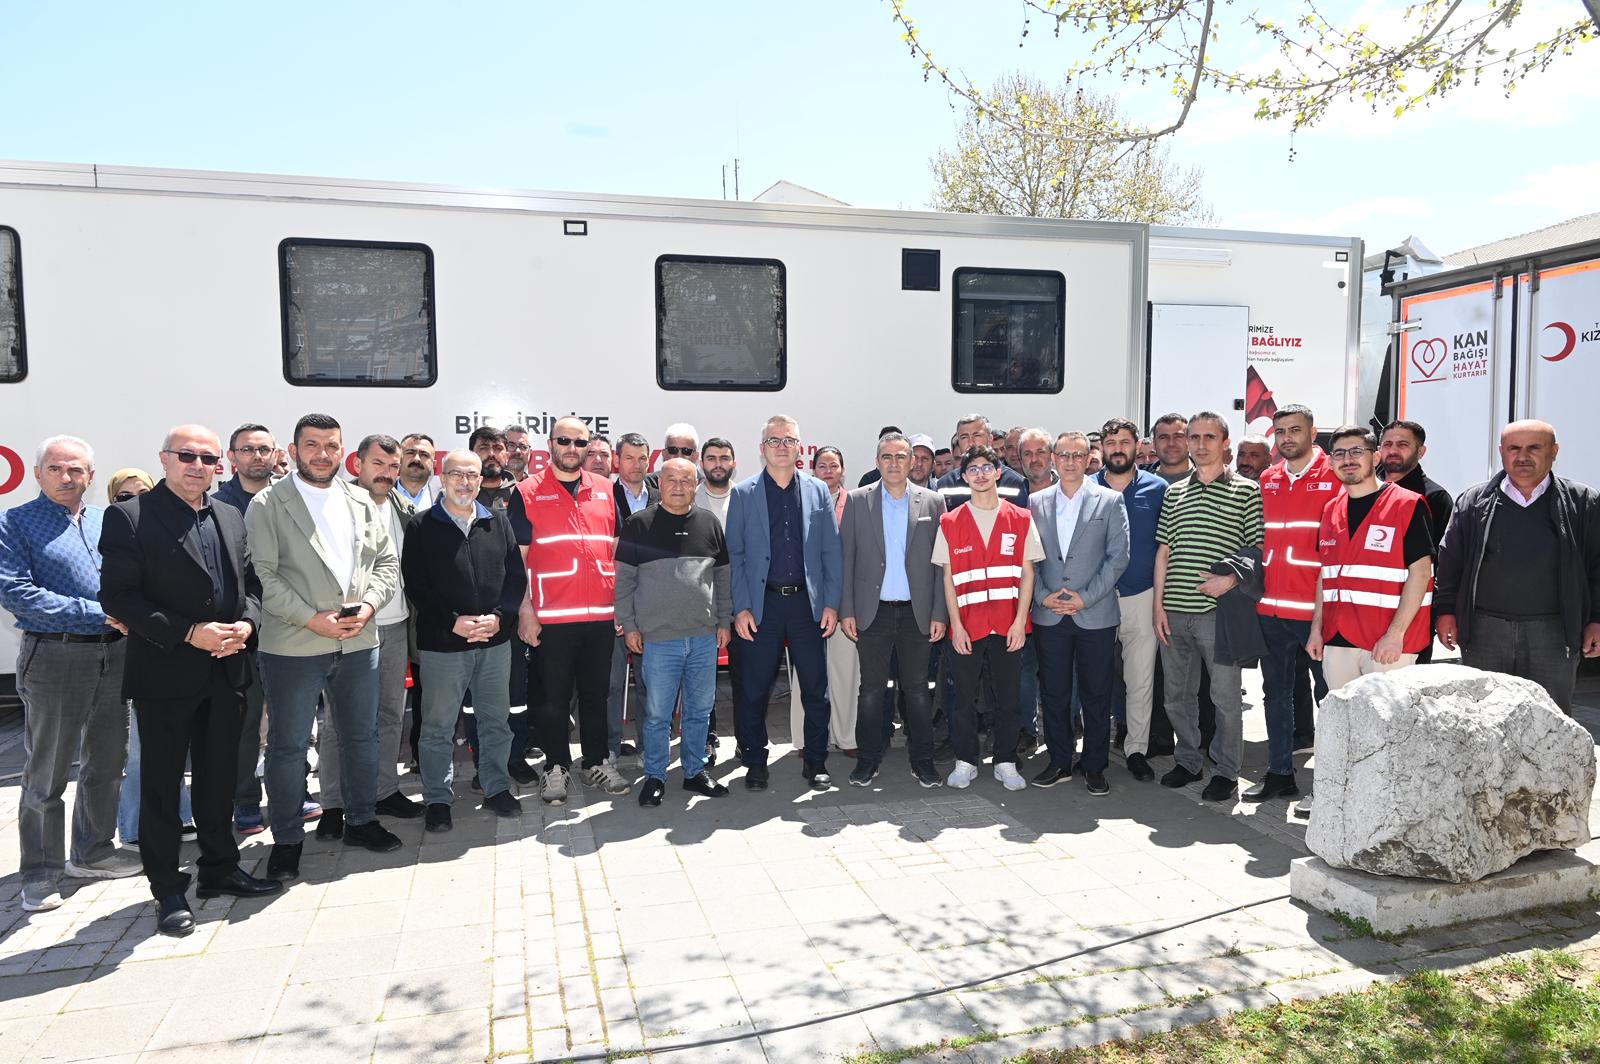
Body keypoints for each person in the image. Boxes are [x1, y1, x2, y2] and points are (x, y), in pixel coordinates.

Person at [99, 425, 281, 936]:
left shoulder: (227, 514)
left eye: (206, 457)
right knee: (160, 787)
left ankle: (219, 869)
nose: (197, 465)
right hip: (165, 673)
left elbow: (252, 585)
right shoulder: (129, 515)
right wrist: (189, 634)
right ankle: (168, 889)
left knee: (219, 777)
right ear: (164, 458)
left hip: (228, 667)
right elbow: (120, 598)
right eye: (186, 456)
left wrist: (246, 623)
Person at [246, 413, 403, 880]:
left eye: (331, 445)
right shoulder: (269, 503)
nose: (322, 454)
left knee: (362, 736)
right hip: (293, 645)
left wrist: (370, 607)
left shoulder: (360, 499)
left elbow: (387, 564)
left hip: (358, 642)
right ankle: (288, 839)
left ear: (343, 451)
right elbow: (264, 576)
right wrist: (312, 618)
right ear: (293, 451)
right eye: (312, 444)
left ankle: (361, 820)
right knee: (289, 747)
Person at [0, 436, 142, 912]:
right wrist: (100, 612)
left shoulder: (109, 521)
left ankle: (94, 851)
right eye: (57, 469)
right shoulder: (13, 523)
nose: (67, 477)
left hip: (115, 654)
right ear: (38, 473)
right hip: (56, 657)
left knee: (107, 759)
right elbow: (17, 592)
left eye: (77, 470)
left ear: (91, 476)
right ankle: (40, 873)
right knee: (49, 770)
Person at [1435, 420, 1600, 713]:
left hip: (1553, 633)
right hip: (1485, 632)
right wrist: (1446, 611)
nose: (1522, 456)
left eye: (1534, 447)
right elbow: (1450, 561)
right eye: (1514, 448)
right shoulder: (1474, 501)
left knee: (1550, 722)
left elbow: (1597, 565)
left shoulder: (1583, 501)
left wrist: (1596, 619)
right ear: (1502, 452)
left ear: (1554, 451)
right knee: (1484, 718)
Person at [402, 450, 529, 831]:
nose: (465, 482)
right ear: (442, 477)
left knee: (495, 720)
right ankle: (438, 799)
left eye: (472, 475)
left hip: (493, 641)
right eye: (457, 474)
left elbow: (515, 578)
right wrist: (453, 622)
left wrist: (500, 618)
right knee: (439, 727)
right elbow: (417, 586)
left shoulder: (498, 522)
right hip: (444, 644)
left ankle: (496, 787)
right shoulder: (421, 526)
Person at [515, 416, 629, 803]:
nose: (572, 448)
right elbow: (517, 561)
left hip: (600, 616)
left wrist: (623, 608)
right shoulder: (528, 491)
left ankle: (596, 760)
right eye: (564, 440)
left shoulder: (607, 490)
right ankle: (556, 766)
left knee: (598, 694)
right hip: (553, 617)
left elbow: (619, 552)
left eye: (580, 443)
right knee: (553, 698)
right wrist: (525, 610)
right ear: (550, 444)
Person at [727, 415, 843, 791]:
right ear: (762, 449)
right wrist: (740, 607)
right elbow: (736, 555)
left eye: (788, 440)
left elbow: (830, 551)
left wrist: (830, 603)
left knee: (815, 688)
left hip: (807, 606)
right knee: (755, 689)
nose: (781, 446)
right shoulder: (743, 493)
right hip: (763, 607)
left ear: (799, 448)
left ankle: (816, 760)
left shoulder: (817, 491)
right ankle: (756, 762)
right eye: (774, 440)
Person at [315, 435, 423, 837]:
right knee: (338, 720)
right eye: (379, 464)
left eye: (394, 467)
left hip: (395, 626)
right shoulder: (336, 505)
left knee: (390, 715)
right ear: (356, 465)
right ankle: (333, 803)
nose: (388, 473)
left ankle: (384, 790)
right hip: (352, 628)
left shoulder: (402, 506)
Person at [1153, 411, 1264, 803]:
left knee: (1225, 698)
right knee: (1176, 696)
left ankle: (1227, 770)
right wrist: (1158, 607)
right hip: (1175, 612)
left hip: (1220, 616)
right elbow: (1164, 551)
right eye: (1194, 437)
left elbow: (1256, 549)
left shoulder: (1247, 491)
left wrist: (1230, 580)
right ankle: (1188, 760)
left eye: (1208, 437)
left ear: (1225, 442)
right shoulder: (1174, 491)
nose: (1200, 444)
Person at [615, 457, 732, 806]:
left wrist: (724, 621)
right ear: (659, 483)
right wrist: (631, 625)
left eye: (686, 480)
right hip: (659, 639)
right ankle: (655, 776)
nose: (678, 486)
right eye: (671, 479)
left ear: (695, 484)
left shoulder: (709, 523)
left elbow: (723, 579)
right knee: (657, 714)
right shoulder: (638, 525)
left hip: (703, 638)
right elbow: (624, 582)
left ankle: (694, 772)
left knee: (699, 710)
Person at [839, 434, 948, 787]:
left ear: (912, 462)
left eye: (902, 456)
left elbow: (941, 566)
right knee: (871, 690)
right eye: (887, 456)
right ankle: (868, 760)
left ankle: (923, 760)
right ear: (877, 461)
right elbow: (847, 561)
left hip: (917, 614)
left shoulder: (933, 502)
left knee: (917, 690)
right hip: (874, 613)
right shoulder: (857, 501)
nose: (894, 463)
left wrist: (939, 613)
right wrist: (847, 610)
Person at [934, 445, 1043, 791]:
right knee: (963, 698)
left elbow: (1029, 574)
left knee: (1007, 698)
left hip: (1008, 625)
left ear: (998, 472)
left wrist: (1019, 622)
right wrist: (956, 626)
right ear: (964, 477)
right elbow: (948, 580)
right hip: (967, 627)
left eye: (986, 468)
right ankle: (965, 761)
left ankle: (1005, 761)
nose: (980, 474)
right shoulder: (950, 522)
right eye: (973, 469)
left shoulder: (1021, 518)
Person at [1029, 431, 1130, 796]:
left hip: (1095, 614)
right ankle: (1058, 761)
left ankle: (1094, 765)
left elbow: (1118, 557)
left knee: (1096, 694)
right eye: (1064, 455)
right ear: (1054, 458)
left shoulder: (1110, 500)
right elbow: (1029, 560)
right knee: (1053, 693)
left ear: (1090, 459)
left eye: (1078, 455)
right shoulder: (1036, 501)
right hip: (1051, 615)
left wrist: (1085, 598)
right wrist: (1042, 597)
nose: (1070, 461)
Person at [1247, 405, 1337, 804]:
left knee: (1330, 698)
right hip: (1272, 611)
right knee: (1276, 695)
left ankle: (1333, 785)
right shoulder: (1268, 478)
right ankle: (1280, 773)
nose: (1286, 438)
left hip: (1317, 613)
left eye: (1294, 430)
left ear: (1312, 434)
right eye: (1279, 431)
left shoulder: (1335, 475)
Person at [1307, 425, 1435, 685]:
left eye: (1357, 451)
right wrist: (1316, 630)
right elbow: (1326, 575)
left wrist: (1395, 634)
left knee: (1390, 724)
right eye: (1339, 454)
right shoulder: (1331, 509)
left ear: (1375, 457)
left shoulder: (1407, 504)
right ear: (1331, 462)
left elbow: (1421, 575)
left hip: (1386, 643)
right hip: (1338, 638)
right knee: (1344, 721)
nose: (1348, 459)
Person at [106, 469, 192, 848]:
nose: (134, 501)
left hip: (160, 644)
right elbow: (118, 592)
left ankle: (181, 814)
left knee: (164, 742)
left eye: (142, 493)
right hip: (123, 649)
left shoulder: (158, 528)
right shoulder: (114, 529)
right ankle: (133, 827)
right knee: (138, 749)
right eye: (124, 496)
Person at [211, 423, 282, 834]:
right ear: (232, 456)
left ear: (276, 455)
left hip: (294, 628)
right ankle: (245, 800)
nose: (257, 456)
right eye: (248, 449)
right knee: (246, 723)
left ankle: (290, 792)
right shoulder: (218, 504)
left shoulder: (291, 498)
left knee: (291, 722)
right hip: (246, 631)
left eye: (264, 449)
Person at [1095, 418, 1168, 783]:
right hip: (1095, 599)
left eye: (1125, 441)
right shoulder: (1085, 488)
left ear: (1137, 445)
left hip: (1142, 596)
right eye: (1111, 442)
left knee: (1140, 680)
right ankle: (1092, 750)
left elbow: (1166, 549)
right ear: (1102, 447)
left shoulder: (1158, 489)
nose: (1118, 448)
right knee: (1094, 678)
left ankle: (1136, 749)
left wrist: (1160, 602)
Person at [796, 446, 857, 755]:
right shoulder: (802, 501)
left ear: (843, 470)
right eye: (822, 465)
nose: (829, 470)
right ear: (813, 470)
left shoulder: (856, 503)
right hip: (807, 598)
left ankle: (846, 737)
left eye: (834, 465)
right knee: (807, 673)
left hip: (845, 598)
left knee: (845, 670)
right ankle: (806, 739)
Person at [608, 432, 658, 761]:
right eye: (629, 458)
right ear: (617, 460)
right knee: (611, 683)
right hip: (613, 603)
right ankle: (609, 748)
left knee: (651, 682)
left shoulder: (663, 495)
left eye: (642, 458)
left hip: (654, 605)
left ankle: (648, 746)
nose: (637, 465)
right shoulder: (602, 494)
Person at [1378, 420, 1453, 550]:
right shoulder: (1363, 490)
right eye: (1387, 444)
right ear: (1379, 450)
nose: (1393, 451)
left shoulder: (1435, 498)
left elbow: (1440, 557)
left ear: (1421, 452)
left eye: (1402, 445)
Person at [935, 414, 1029, 508]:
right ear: (958, 442)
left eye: (977, 435)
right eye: (964, 437)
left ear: (990, 439)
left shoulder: (1015, 482)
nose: (971, 442)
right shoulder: (945, 485)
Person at [469, 427, 517, 514]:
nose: (491, 453)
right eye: (483, 448)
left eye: (498, 448)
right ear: (471, 455)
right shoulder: (459, 491)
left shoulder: (520, 493)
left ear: (507, 456)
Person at [695, 437, 736, 526]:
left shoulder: (746, 499)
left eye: (724, 458)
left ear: (734, 464)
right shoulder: (690, 499)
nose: (718, 464)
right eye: (711, 459)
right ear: (701, 464)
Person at [394, 432, 441, 509]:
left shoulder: (446, 498)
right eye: (410, 453)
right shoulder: (382, 494)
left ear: (434, 464)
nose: (416, 459)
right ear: (399, 459)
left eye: (424, 455)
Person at [1148, 414, 1193, 483]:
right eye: (1164, 437)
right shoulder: (1137, 482)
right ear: (1154, 444)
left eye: (1178, 437)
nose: (1171, 443)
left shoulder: (1210, 478)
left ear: (1190, 441)